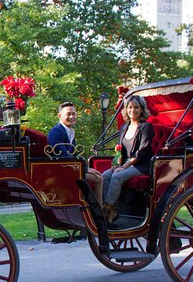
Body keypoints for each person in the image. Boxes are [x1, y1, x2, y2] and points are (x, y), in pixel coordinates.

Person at [101, 95, 155, 223]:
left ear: (142, 109)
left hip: (141, 165)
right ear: (126, 109)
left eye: (136, 107)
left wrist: (123, 167)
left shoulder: (146, 127)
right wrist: (117, 163)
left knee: (117, 176)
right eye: (130, 107)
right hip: (126, 163)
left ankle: (106, 209)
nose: (133, 110)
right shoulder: (124, 127)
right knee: (105, 175)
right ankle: (113, 209)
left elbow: (141, 152)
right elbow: (121, 150)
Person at [47, 102, 104, 207]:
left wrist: (86, 168)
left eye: (74, 114)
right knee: (99, 179)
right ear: (59, 116)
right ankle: (100, 213)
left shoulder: (69, 131)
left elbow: (74, 156)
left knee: (99, 174)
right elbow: (64, 157)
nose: (72, 117)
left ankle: (92, 209)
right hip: (63, 171)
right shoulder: (57, 132)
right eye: (68, 114)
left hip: (71, 169)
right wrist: (85, 169)